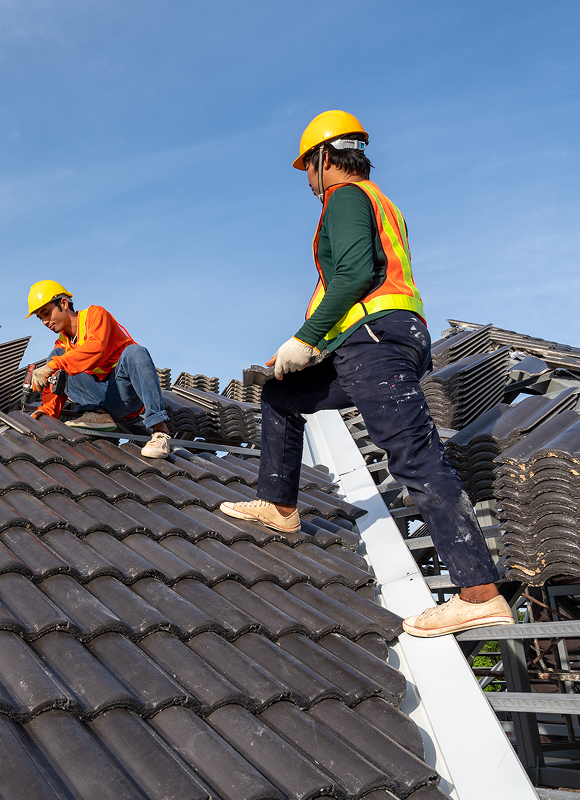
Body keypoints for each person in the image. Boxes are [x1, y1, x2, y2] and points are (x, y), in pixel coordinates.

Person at [219, 111, 513, 637]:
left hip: (375, 342)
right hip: (377, 340)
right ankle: (280, 505)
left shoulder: (346, 197)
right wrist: (312, 348)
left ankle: (479, 594)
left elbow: (354, 274)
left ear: (324, 158)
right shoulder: (381, 202)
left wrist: (306, 338)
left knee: (415, 457)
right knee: (282, 396)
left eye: (307, 168)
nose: (308, 181)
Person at [25, 280, 173, 458]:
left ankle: (160, 431)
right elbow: (58, 380)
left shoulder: (96, 315)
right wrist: (45, 413)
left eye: (46, 313)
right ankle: (97, 415)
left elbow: (96, 348)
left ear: (63, 303)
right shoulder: (62, 344)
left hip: (124, 394)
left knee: (135, 351)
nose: (44, 321)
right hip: (99, 399)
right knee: (57, 356)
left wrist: (51, 366)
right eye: (40, 318)